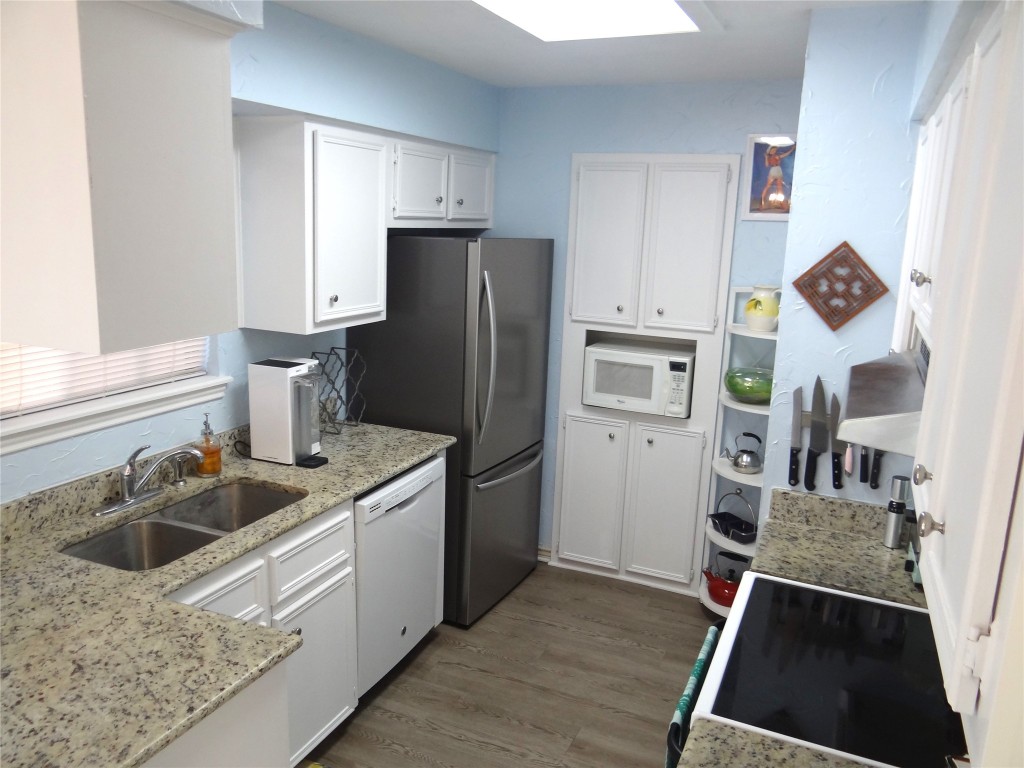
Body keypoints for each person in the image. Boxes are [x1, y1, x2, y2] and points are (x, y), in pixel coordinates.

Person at [760, 143, 796, 210]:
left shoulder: (777, 156)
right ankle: (762, 203)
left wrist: (792, 149)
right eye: (773, 150)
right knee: (767, 186)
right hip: (773, 171)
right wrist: (766, 158)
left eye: (775, 150)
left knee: (780, 188)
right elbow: (767, 165)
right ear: (770, 151)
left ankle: (784, 206)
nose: (774, 151)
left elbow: (785, 154)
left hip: (778, 171)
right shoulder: (769, 157)